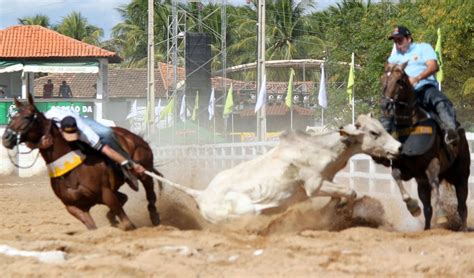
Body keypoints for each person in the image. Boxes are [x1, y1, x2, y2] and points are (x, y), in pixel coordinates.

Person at [384, 25, 459, 147]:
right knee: (386, 109)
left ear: (409, 38)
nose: (397, 43)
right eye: (395, 40)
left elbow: (433, 66)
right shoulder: (394, 57)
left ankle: (451, 130)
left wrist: (417, 78)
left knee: (439, 100)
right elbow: (388, 74)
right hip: (403, 94)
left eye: (400, 39)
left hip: (425, 88)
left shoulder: (423, 48)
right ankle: (383, 141)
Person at [43, 107, 145, 190]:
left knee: (107, 133)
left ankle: (127, 165)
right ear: (60, 129)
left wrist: (127, 163)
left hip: (79, 118)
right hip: (60, 117)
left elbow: (106, 149)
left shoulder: (85, 131)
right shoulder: (47, 121)